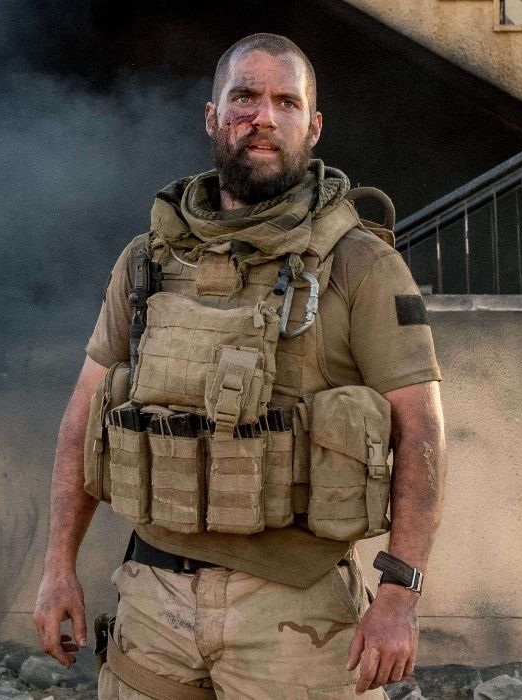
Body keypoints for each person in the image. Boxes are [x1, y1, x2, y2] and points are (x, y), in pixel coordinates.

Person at [33, 32, 446, 699]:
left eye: (286, 101)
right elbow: (83, 413)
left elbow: (422, 432)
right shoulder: (148, 261)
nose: (264, 115)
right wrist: (58, 566)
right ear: (212, 115)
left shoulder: (364, 265)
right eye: (245, 96)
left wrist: (400, 592)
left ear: (312, 127)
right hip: (152, 597)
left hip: (295, 612)